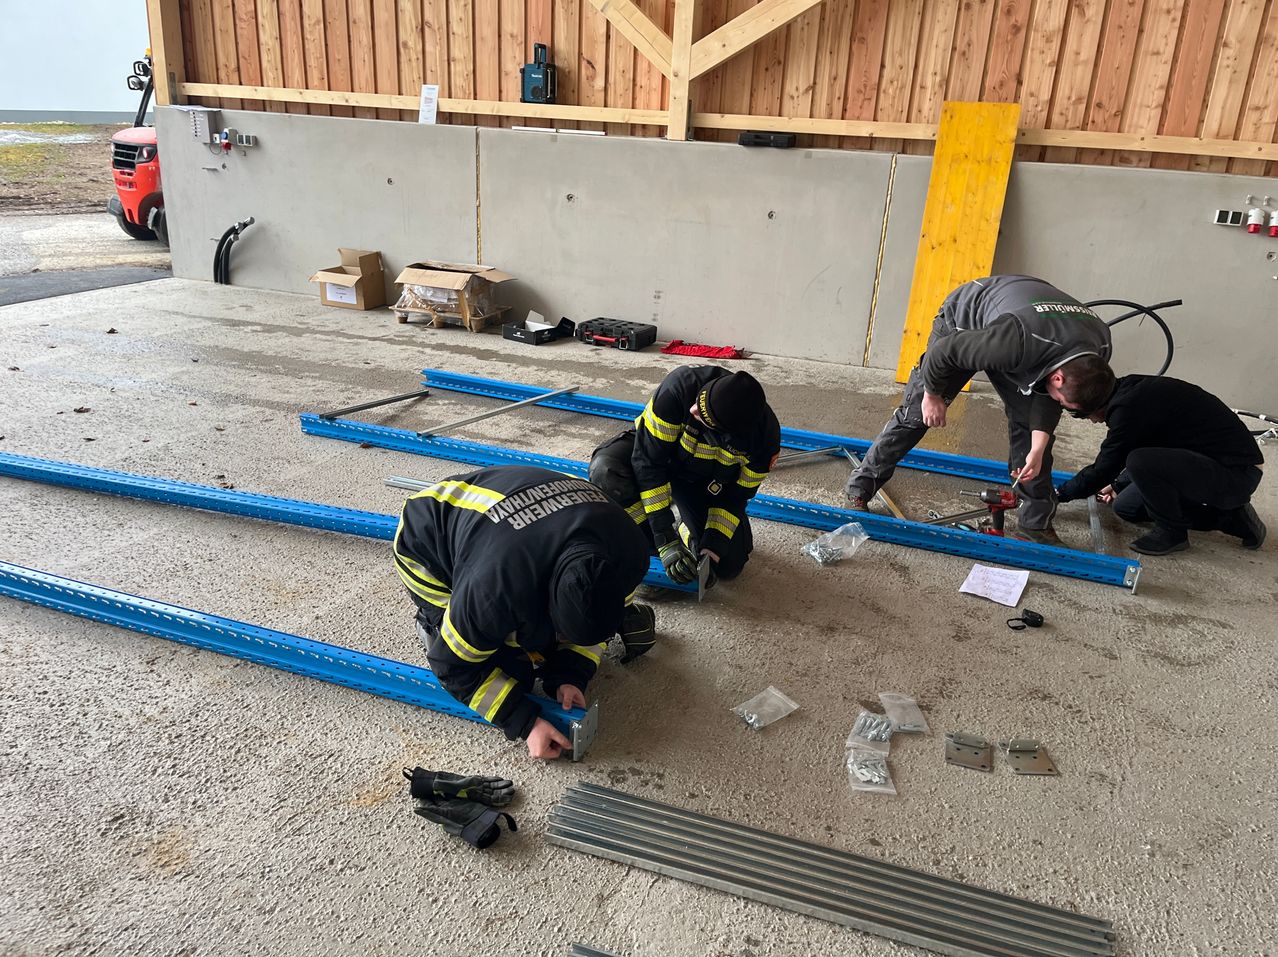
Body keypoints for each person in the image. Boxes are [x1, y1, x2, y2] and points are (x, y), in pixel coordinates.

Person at [393, 465, 655, 760]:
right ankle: (436, 625)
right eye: (564, 634)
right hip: (427, 535)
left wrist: (571, 675)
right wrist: (526, 722)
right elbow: (453, 667)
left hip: (521, 511)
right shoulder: (494, 590)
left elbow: (591, 624)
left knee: (538, 642)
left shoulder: (630, 553)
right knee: (512, 673)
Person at [845, 275, 1113, 544]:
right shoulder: (1013, 342)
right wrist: (932, 395)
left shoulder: (1098, 348)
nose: (1062, 408)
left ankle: (1035, 525)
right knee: (916, 416)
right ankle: (860, 487)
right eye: (1066, 405)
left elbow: (1047, 399)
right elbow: (943, 354)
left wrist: (1037, 449)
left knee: (1029, 427)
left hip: (1030, 334)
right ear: (1058, 378)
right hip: (966, 321)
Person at [588, 366, 780, 586]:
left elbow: (736, 496)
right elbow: (648, 465)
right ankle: (646, 545)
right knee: (606, 471)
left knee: (727, 565)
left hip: (701, 481)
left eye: (703, 416)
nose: (692, 410)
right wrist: (663, 537)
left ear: (725, 433)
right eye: (699, 403)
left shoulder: (764, 443)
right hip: (658, 456)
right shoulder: (678, 389)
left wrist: (712, 547)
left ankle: (685, 531)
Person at [1051, 369, 1266, 555]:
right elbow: (1150, 442)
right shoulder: (1126, 392)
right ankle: (1229, 518)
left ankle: (1173, 533)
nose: (1088, 420)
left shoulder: (1129, 409)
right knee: (1126, 508)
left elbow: (1105, 467)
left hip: (1237, 471)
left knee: (1139, 461)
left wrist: (1059, 495)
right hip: (1201, 458)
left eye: (1077, 412)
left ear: (1091, 403)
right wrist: (1119, 485)